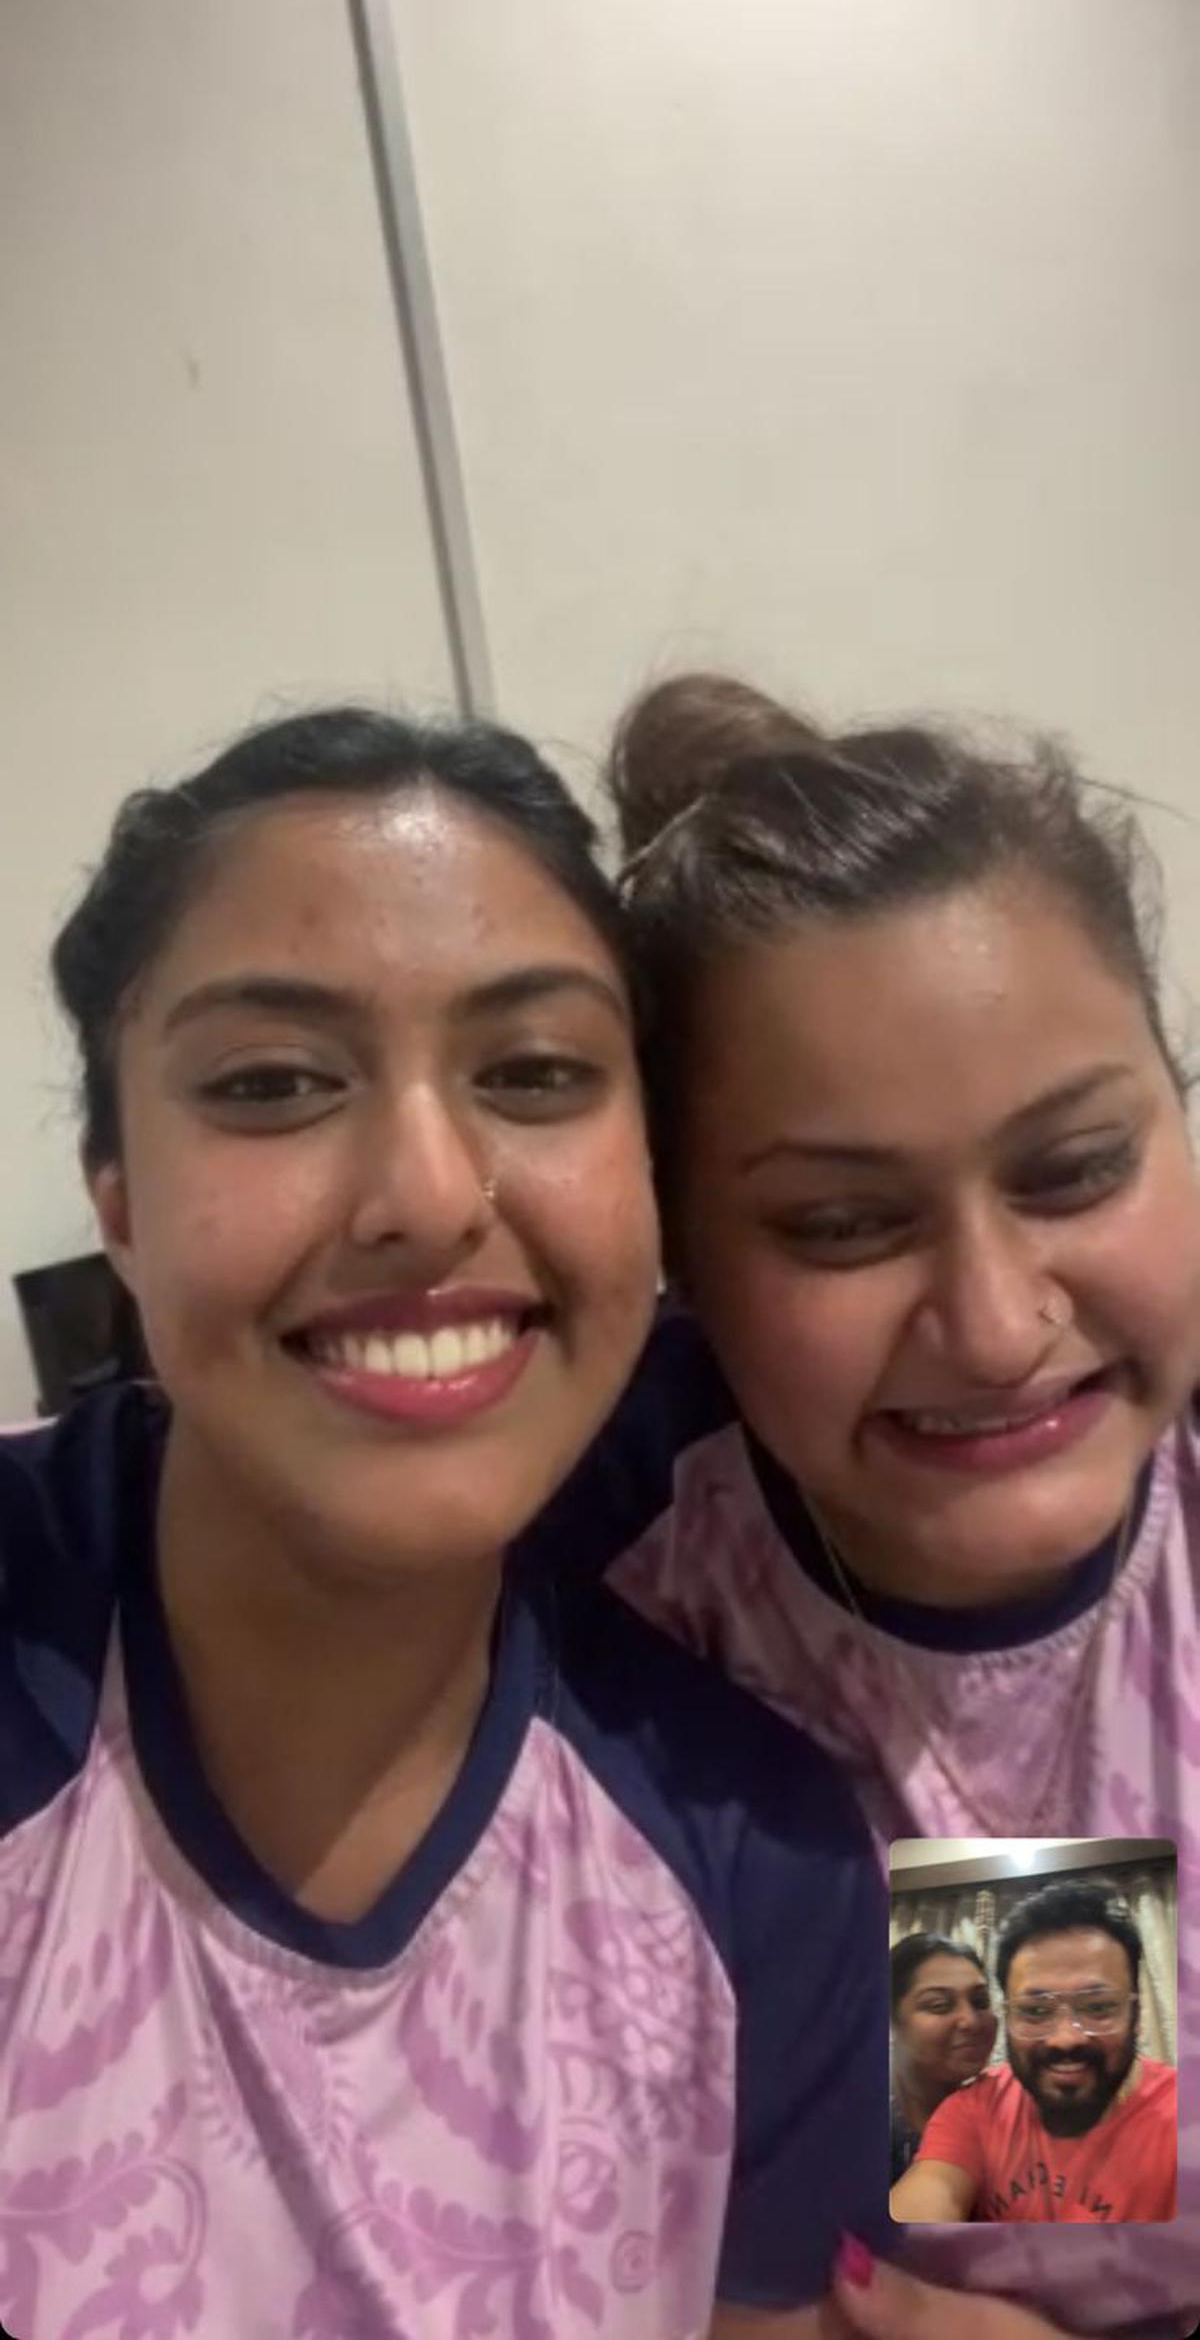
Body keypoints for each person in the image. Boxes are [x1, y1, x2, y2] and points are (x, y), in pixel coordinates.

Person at [0, 703, 896, 2340]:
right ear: (114, 1202)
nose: (425, 1189)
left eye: (536, 1072)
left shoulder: (766, 1849)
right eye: (272, 1081)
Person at [533, 670, 1200, 2338]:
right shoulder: (594, 1592)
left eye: (1073, 1169)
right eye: (840, 1226)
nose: (992, 1322)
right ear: (677, 1247)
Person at [892, 1879, 1176, 2226]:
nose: (1066, 2038)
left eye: (1099, 2007)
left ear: (1136, 2013)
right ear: (1010, 2015)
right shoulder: (973, 2108)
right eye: (1035, 2011)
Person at [889, 1934, 997, 2182]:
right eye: (939, 2005)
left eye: (980, 2002)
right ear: (891, 2020)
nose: (970, 2021)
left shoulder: (996, 2106)